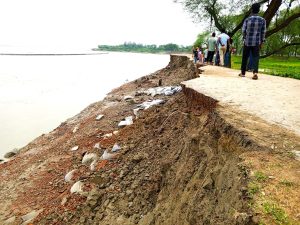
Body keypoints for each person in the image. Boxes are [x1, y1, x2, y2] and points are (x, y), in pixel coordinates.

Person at [239, 3, 266, 80]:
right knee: (255, 57)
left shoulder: (247, 19)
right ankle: (255, 73)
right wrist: (262, 41)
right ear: (259, 10)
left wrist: (245, 37)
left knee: (245, 57)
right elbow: (263, 32)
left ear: (252, 10)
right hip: (257, 42)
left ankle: (243, 73)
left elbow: (243, 31)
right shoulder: (262, 20)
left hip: (247, 41)